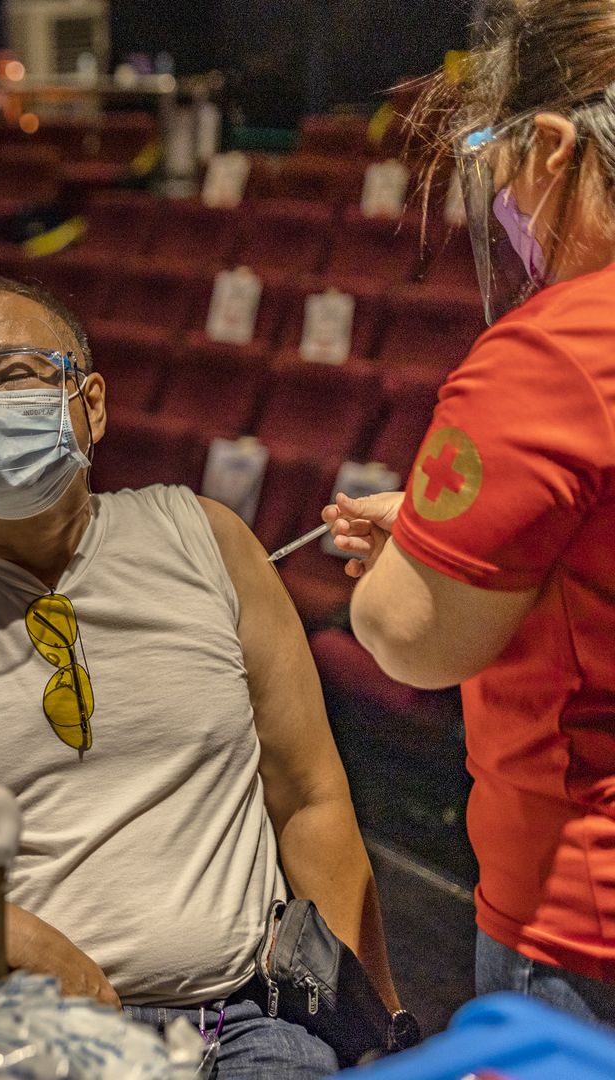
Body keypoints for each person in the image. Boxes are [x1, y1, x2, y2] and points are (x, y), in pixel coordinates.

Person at [0, 277, 407, 1076]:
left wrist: (379, 1038)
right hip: (16, 1035)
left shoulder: (205, 539)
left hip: (244, 1021)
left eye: (17, 373)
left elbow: (310, 798)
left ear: (91, 404)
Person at [326, 0, 615, 1023]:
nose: (493, 181)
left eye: (492, 148)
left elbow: (411, 638)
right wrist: (456, 530)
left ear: (549, 143)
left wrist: (409, 571)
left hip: (581, 923)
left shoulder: (551, 352)